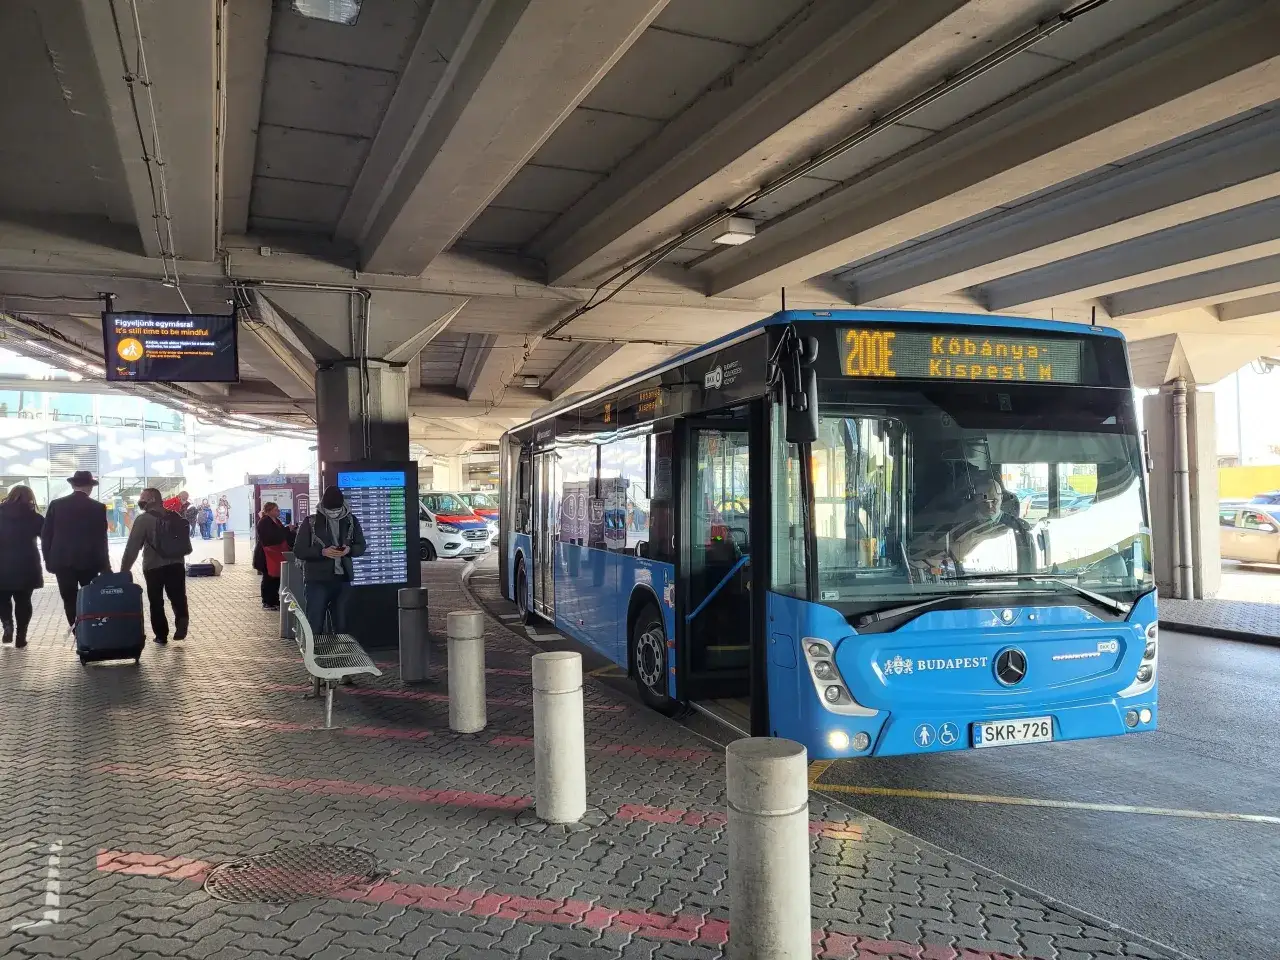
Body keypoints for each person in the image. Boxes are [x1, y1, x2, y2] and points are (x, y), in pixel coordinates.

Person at [119, 487, 189, 645]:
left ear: (151, 500)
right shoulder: (175, 516)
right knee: (178, 597)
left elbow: (132, 548)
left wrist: (124, 570)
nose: (140, 501)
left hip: (153, 566)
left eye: (142, 498)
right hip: (176, 564)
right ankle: (182, 623)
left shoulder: (143, 520)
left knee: (156, 601)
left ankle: (161, 635)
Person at [41, 470, 111, 628]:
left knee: (69, 599)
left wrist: (48, 560)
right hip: (90, 562)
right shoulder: (98, 507)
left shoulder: (56, 505)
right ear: (90, 487)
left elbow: (46, 535)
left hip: (62, 561)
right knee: (90, 597)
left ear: (73, 486)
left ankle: (76, 631)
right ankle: (89, 630)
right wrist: (105, 565)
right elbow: (101, 539)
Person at [293, 486, 366, 635]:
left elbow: (361, 546)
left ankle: (339, 649)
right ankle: (315, 649)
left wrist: (349, 550)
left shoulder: (351, 521)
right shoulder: (310, 522)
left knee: (342, 627)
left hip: (343, 580)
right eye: (330, 511)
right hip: (317, 581)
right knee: (315, 624)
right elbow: (299, 550)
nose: (334, 513)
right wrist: (322, 552)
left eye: (337, 511)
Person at [0, 485, 45, 648]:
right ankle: (21, 636)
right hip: (27, 565)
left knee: (2, 599)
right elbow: (47, 538)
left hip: (2, 565)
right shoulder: (35, 518)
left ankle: (7, 626)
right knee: (24, 601)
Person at [253, 502, 294, 610]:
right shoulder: (264, 522)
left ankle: (275, 600)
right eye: (276, 510)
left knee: (276, 578)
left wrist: (289, 531)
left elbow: (280, 533)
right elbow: (271, 537)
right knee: (268, 579)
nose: (278, 511)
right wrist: (287, 530)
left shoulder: (277, 521)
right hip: (266, 555)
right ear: (269, 511)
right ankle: (267, 601)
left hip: (276, 554)